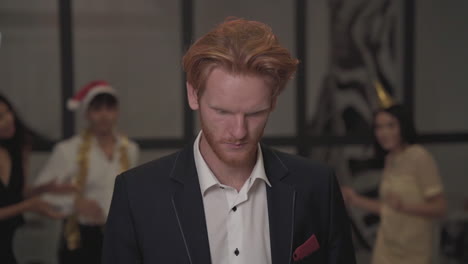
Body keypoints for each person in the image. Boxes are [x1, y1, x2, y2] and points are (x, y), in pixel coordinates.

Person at [102, 18, 355, 264]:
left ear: (274, 101)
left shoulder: (317, 186)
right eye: (222, 112)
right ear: (193, 95)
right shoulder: (137, 195)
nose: (238, 131)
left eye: (255, 113)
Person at [34, 81, 140, 264]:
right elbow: (41, 194)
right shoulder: (68, 150)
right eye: (97, 109)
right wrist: (75, 203)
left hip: (120, 236)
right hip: (81, 237)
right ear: (86, 113)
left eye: (110, 108)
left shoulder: (130, 149)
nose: (104, 115)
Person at [342, 104, 447, 264]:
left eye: (390, 126)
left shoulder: (419, 156)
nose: (384, 133)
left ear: (403, 127)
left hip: (413, 251)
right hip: (386, 247)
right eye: (379, 127)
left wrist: (405, 207)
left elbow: (440, 208)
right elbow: (388, 208)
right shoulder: (390, 159)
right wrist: (353, 199)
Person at [0, 94, 74, 263]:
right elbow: (20, 203)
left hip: (8, 242)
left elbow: (17, 193)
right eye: (0, 118)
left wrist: (46, 188)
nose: (9, 120)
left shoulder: (19, 147)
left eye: (8, 112)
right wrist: (28, 206)